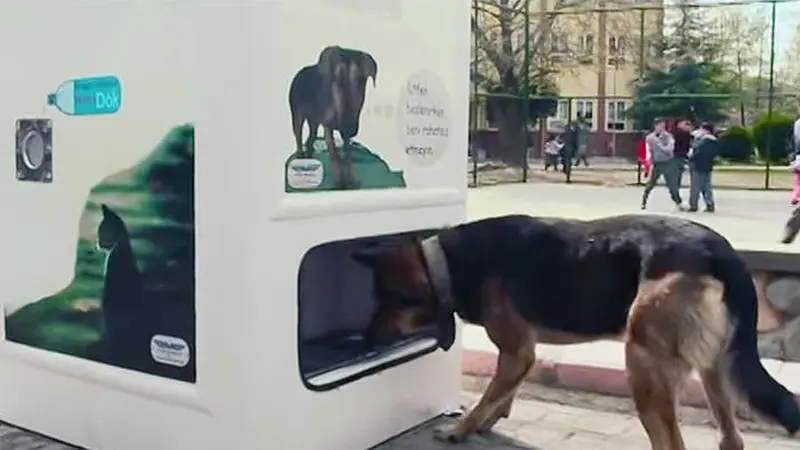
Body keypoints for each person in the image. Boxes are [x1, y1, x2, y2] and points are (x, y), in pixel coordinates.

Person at [641, 117, 684, 211]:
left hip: (668, 163)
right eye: (660, 125)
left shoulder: (668, 136)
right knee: (651, 183)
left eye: (663, 125)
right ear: (655, 126)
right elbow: (650, 151)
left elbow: (669, 149)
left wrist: (659, 144)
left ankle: (678, 202)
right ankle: (644, 202)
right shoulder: (650, 137)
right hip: (657, 163)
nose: (662, 127)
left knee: (672, 185)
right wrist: (649, 164)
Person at [687, 122, 719, 213]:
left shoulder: (704, 142)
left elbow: (696, 152)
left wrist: (691, 156)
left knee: (695, 186)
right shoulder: (714, 141)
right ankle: (710, 204)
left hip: (698, 166)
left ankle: (693, 205)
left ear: (705, 130)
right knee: (706, 186)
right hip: (707, 166)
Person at [673, 118, 693, 188]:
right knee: (677, 173)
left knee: (678, 173)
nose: (686, 126)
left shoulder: (686, 134)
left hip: (681, 155)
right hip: (677, 155)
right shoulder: (678, 133)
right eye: (685, 124)